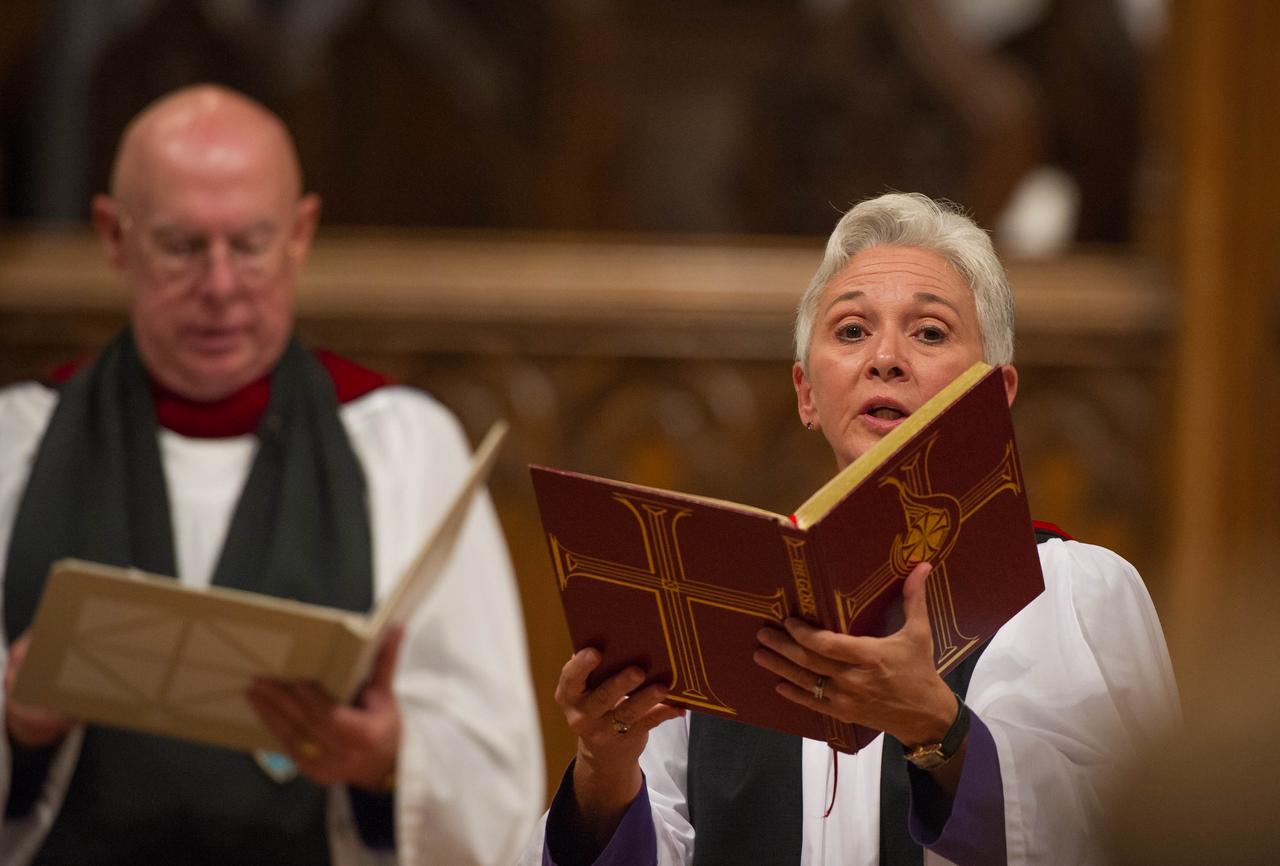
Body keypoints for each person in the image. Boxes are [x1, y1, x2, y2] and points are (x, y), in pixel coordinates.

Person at [520, 192, 1180, 865]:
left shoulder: (1074, 593)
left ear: (997, 393)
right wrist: (605, 766)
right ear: (807, 393)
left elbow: (1139, 835)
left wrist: (938, 731)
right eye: (852, 330)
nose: (885, 358)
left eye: (929, 331)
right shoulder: (706, 611)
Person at [0, 84, 543, 865]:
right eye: (183, 247)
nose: (220, 286)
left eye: (250, 244)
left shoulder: (403, 446)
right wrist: (18, 727)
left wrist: (388, 759)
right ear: (113, 236)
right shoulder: (18, 441)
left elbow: (496, 766)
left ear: (300, 233)